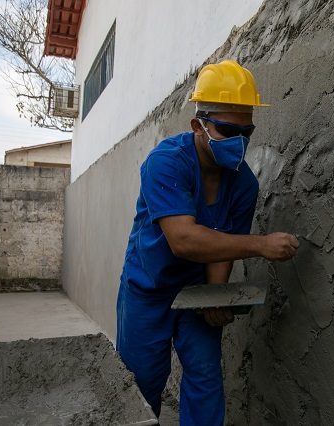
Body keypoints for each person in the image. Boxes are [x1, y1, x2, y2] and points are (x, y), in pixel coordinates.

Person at [116, 59, 300, 425]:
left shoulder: (244, 184)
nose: (239, 142)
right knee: (141, 386)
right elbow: (183, 240)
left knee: (206, 380)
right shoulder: (166, 162)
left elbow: (224, 246)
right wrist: (260, 245)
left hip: (196, 288)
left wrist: (217, 294)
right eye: (228, 129)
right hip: (147, 289)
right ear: (197, 125)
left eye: (246, 132)